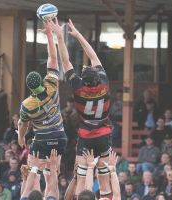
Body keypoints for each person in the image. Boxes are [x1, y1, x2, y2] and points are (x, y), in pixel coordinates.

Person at [50, 18, 113, 198]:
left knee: (80, 176)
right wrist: (77, 35)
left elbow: (65, 60)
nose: (87, 64)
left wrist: (60, 37)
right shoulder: (104, 83)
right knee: (104, 177)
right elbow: (93, 57)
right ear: (97, 77)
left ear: (83, 79)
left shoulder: (78, 88)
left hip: (86, 136)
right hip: (104, 134)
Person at [17, 21, 67, 162]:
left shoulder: (27, 104)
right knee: (52, 172)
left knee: (33, 170)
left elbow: (22, 124)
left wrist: (21, 137)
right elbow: (53, 58)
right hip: (60, 137)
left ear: (29, 87)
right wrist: (50, 35)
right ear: (41, 80)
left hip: (42, 140)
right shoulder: (51, 85)